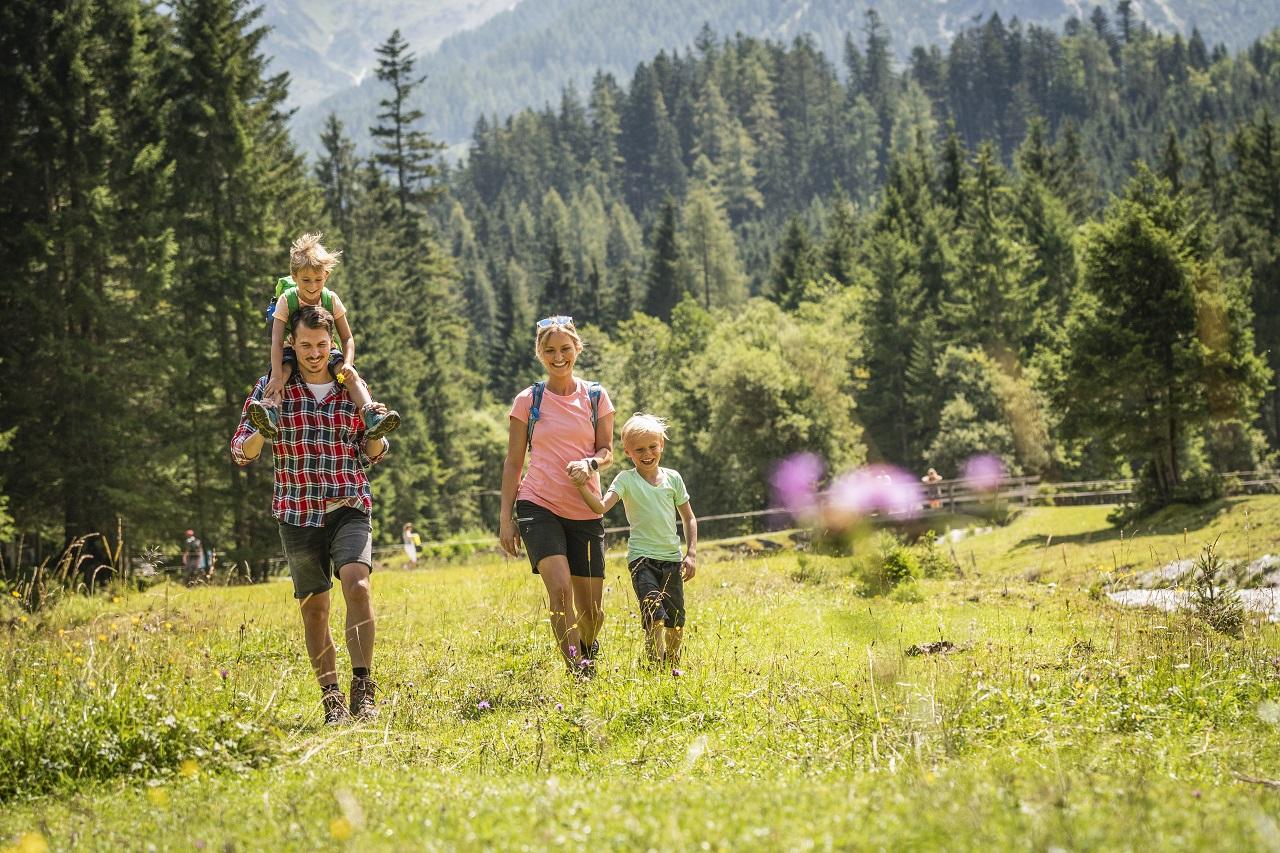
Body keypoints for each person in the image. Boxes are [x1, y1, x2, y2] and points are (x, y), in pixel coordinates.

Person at [230, 304, 391, 725]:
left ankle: (363, 689)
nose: (315, 353)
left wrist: (376, 436)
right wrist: (261, 431)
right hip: (297, 511)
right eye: (306, 345)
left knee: (358, 585)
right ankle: (331, 699)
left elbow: (372, 452)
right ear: (292, 344)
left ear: (332, 343)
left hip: (347, 502)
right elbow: (241, 450)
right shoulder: (273, 386)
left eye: (321, 344)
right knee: (315, 608)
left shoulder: (349, 385)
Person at [498, 316, 615, 676]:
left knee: (592, 612)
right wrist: (505, 519)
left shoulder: (596, 397)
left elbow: (607, 451)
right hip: (538, 504)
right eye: (549, 350)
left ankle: (587, 649)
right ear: (540, 353)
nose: (558, 356)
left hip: (585, 508)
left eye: (565, 348)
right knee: (561, 592)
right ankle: (578, 672)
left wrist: (590, 464)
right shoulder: (528, 400)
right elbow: (514, 461)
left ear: (577, 349)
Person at [246, 233, 399, 444]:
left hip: (326, 348)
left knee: (348, 376)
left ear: (326, 276)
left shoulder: (330, 299)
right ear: (294, 276)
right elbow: (277, 340)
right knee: (284, 373)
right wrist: (276, 375)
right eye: (306, 280)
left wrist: (348, 363)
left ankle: (370, 414)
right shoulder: (287, 300)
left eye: (318, 280)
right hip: (292, 346)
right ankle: (271, 413)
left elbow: (347, 338)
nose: (312, 286)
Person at [573, 413, 697, 666]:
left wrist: (691, 553)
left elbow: (689, 518)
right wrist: (581, 486)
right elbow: (600, 507)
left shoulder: (673, 478)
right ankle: (654, 665)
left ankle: (672, 664)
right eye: (639, 449)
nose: (647, 454)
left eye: (652, 447)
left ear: (661, 445)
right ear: (628, 452)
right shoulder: (625, 480)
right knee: (654, 616)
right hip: (642, 560)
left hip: (672, 559)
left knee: (675, 622)